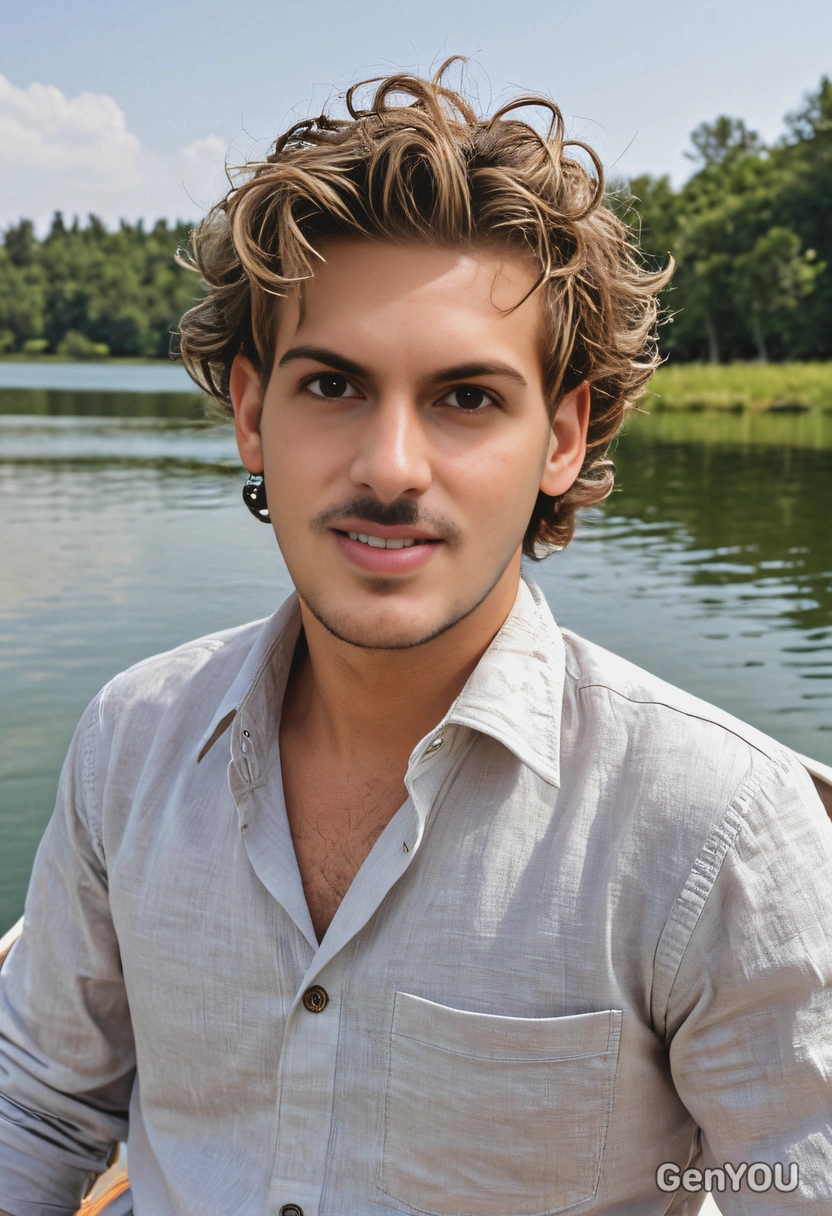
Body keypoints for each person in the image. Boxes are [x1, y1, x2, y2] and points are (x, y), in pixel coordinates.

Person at [1, 62, 831, 1216]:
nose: (391, 466)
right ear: (251, 414)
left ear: (563, 434)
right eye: (333, 383)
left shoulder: (715, 829)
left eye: (467, 397)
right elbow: (40, 1104)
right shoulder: (130, 744)